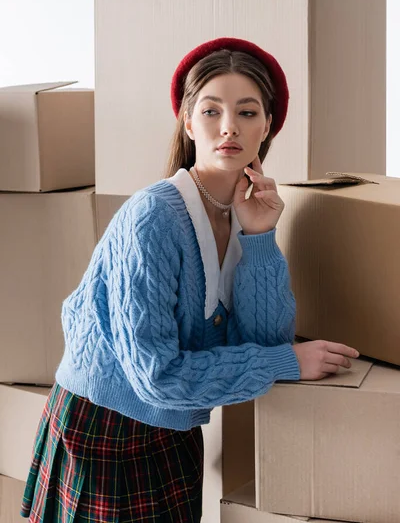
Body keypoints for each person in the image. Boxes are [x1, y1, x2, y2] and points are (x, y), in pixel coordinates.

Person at [20, 37, 359, 523]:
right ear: (187, 119)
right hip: (103, 428)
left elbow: (265, 340)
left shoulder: (246, 213)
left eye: (247, 112)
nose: (229, 128)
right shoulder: (153, 217)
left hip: (174, 430)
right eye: (211, 110)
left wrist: (260, 237)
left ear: (268, 125)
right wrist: (287, 362)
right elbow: (159, 376)